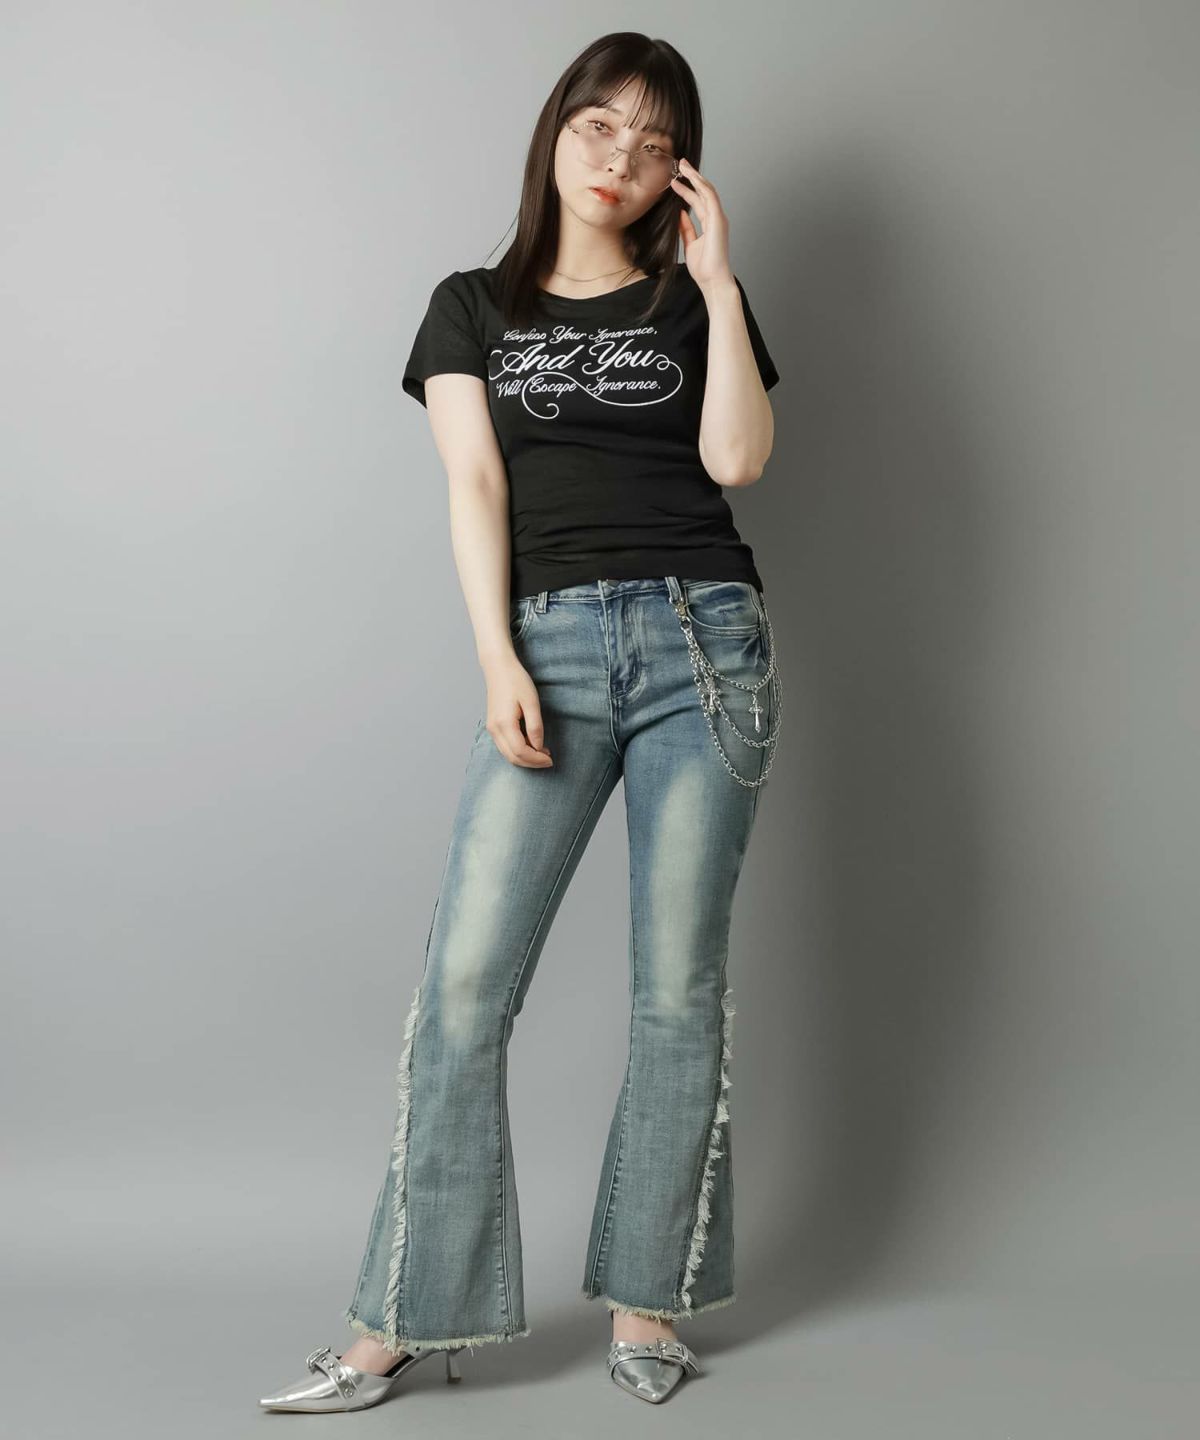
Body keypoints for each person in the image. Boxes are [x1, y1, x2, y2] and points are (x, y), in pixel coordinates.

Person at [259, 29, 782, 1412]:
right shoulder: (471, 307)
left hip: (704, 645)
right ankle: (401, 1317)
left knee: (677, 991)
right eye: (601, 126)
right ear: (556, 131)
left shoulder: (690, 303)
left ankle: (650, 1306)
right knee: (464, 992)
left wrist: (719, 287)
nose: (622, 159)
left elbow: (738, 460)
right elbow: (476, 487)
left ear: (683, 172)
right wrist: (497, 657)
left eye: (656, 143)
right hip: (547, 644)